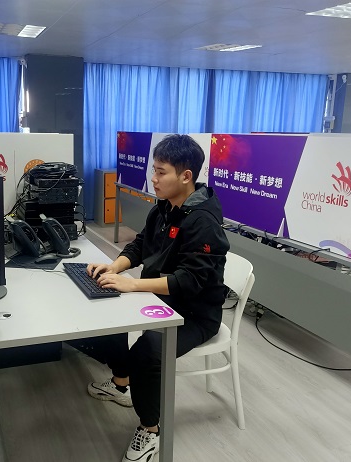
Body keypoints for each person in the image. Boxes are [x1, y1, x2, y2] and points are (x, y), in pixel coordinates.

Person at [85, 134, 230, 462]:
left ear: (186, 176)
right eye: (154, 170)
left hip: (195, 314)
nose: (154, 178)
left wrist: (133, 285)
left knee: (148, 351)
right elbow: (140, 245)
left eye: (161, 172)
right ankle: (121, 384)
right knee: (105, 312)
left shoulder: (203, 221)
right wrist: (114, 267)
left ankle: (150, 430)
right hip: (163, 299)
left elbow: (190, 281)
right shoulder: (164, 208)